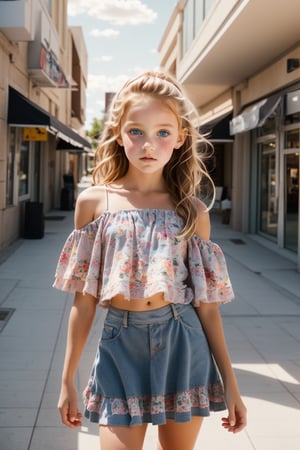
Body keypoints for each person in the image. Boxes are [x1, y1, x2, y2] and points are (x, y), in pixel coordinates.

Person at [53, 71, 247, 450]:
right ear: (118, 133)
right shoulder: (94, 203)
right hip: (119, 343)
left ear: (179, 138)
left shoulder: (191, 211)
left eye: (162, 132)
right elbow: (84, 300)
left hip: (182, 342)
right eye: (136, 131)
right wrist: (67, 379)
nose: (148, 144)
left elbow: (207, 307)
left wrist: (232, 384)